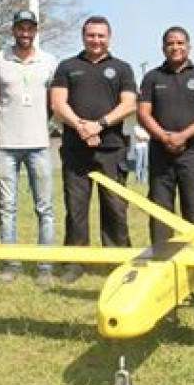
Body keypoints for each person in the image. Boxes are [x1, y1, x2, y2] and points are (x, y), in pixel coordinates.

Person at [50, 16, 137, 283]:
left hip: (111, 149)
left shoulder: (122, 68)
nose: (96, 40)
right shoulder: (67, 66)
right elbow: (57, 103)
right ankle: (75, 263)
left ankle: (118, 262)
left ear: (109, 38)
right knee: (76, 207)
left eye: (101, 36)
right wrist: (81, 127)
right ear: (83, 36)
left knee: (114, 207)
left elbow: (129, 105)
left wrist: (98, 126)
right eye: (91, 35)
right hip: (76, 149)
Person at [0, 10, 58, 286]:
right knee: (7, 207)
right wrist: (9, 123)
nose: (25, 33)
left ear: (35, 31)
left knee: (45, 207)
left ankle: (45, 266)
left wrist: (37, 123)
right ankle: (10, 264)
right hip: (6, 145)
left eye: (30, 28)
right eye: (20, 28)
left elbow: (52, 101)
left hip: (39, 144)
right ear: (13, 30)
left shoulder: (49, 61)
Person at [137, 26, 194, 247]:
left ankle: (193, 261)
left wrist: (183, 135)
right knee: (160, 210)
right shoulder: (152, 77)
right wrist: (164, 137)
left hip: (193, 154)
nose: (176, 47)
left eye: (180, 43)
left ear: (189, 46)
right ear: (163, 48)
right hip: (160, 154)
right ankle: (162, 259)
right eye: (171, 43)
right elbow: (143, 114)